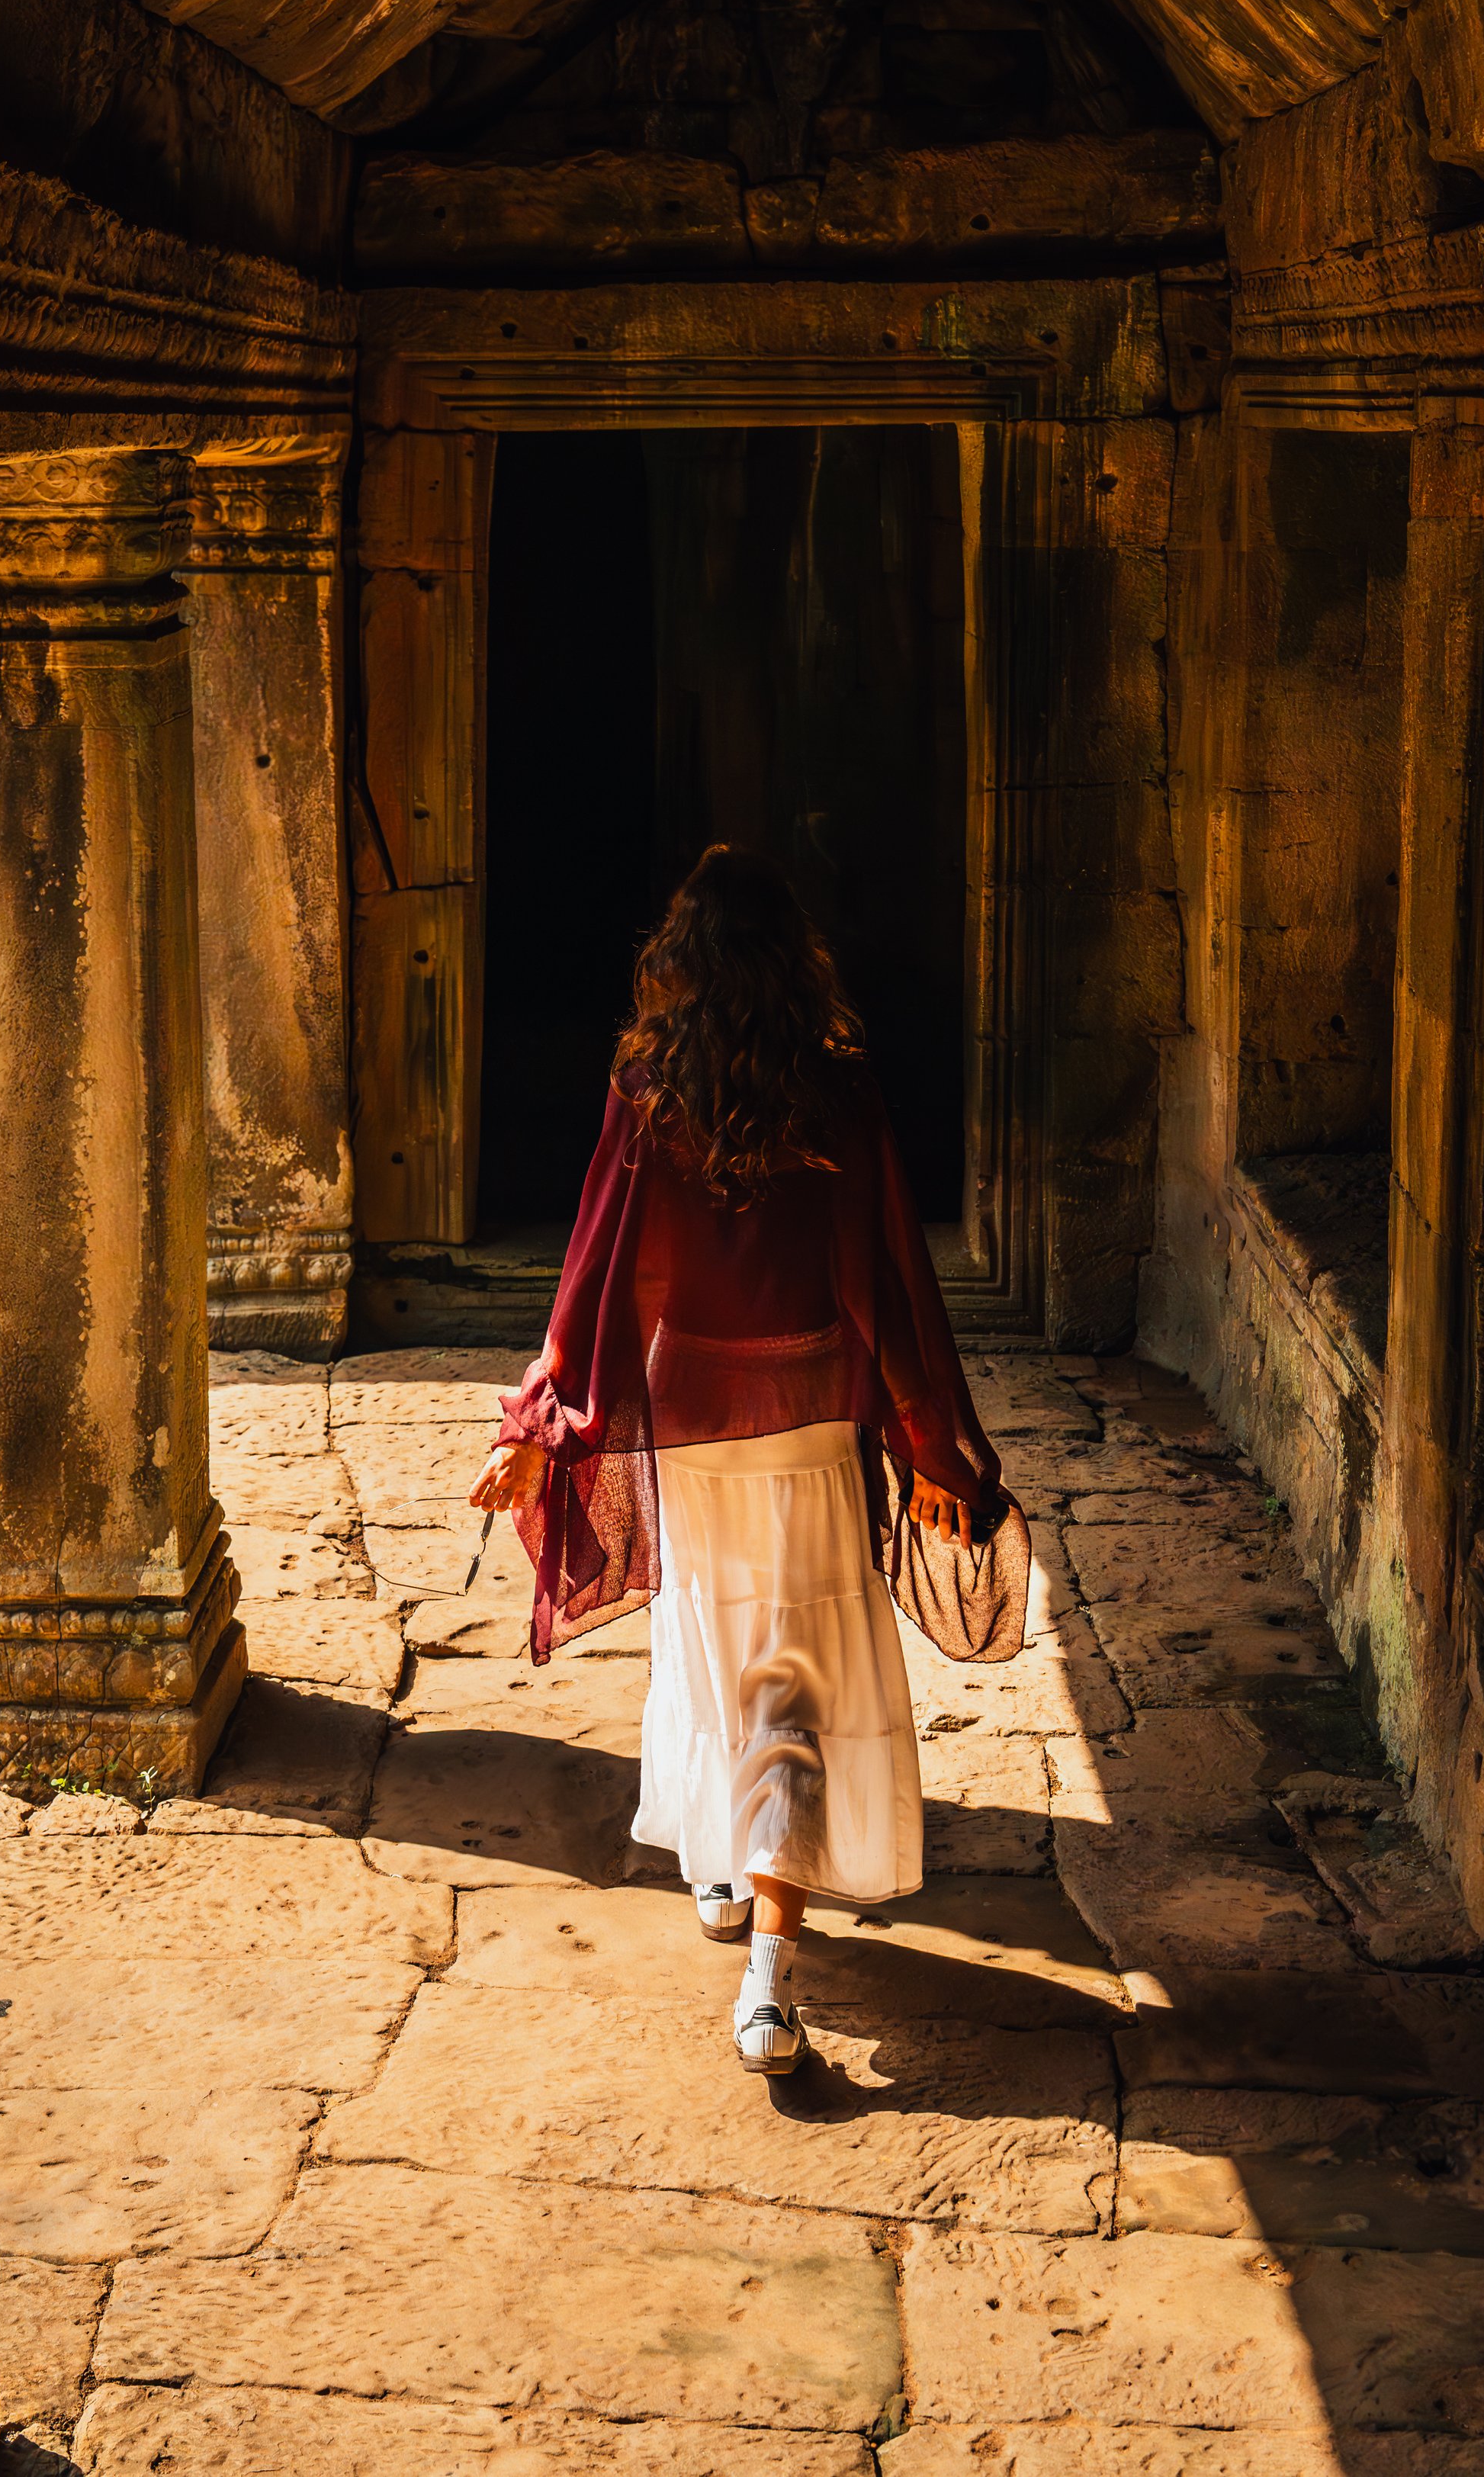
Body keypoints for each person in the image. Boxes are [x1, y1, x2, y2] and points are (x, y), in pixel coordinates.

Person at [468, 844, 1029, 2077]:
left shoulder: (647, 1082)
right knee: (792, 1683)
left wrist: (549, 1420)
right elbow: (882, 1276)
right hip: (813, 1421)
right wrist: (930, 1442)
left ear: (679, 963)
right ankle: (768, 1962)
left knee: (721, 1650)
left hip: (695, 1423)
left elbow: (607, 1272)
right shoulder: (837, 1082)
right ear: (792, 960)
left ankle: (752, 1912)